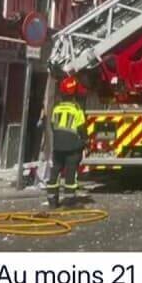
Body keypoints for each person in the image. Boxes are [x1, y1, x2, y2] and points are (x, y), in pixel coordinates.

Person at [45, 76, 94, 209]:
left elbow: (52, 126)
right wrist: (86, 142)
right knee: (70, 173)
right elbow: (81, 129)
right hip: (73, 147)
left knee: (55, 170)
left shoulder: (56, 109)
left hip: (58, 146)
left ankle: (52, 199)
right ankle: (69, 201)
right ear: (75, 94)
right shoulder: (77, 110)